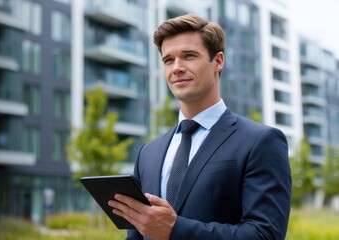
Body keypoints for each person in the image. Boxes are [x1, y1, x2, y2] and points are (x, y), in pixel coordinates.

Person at [108, 13, 292, 240]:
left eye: (189, 56)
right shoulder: (148, 153)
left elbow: (266, 235)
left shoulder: (261, 141)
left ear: (218, 61)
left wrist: (175, 230)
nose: (176, 67)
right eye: (168, 60)